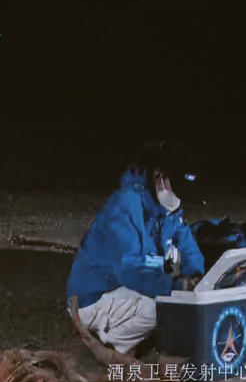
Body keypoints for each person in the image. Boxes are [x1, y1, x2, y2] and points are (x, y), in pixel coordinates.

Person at [66, 140, 206, 355]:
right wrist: (176, 286)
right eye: (179, 192)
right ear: (159, 177)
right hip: (92, 296)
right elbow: (130, 270)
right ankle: (107, 348)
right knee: (166, 309)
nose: (180, 200)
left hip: (125, 289)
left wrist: (196, 276)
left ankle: (125, 340)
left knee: (177, 300)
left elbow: (188, 247)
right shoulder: (125, 204)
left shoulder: (167, 210)